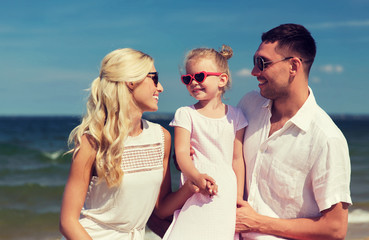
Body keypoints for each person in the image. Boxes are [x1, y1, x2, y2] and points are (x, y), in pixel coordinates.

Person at [59, 48, 199, 240]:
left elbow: (160, 210)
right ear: (131, 81)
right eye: (154, 78)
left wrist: (192, 182)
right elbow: (68, 222)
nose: (160, 88)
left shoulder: (161, 137)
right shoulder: (92, 141)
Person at [235, 23, 352, 240]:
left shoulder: (326, 138)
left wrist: (258, 223)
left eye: (262, 63)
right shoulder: (249, 104)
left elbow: (335, 228)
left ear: (294, 66)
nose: (254, 72)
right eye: (254, 62)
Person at [162, 45, 248, 240]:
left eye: (199, 77)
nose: (193, 83)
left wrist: (238, 198)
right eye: (188, 79)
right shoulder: (185, 114)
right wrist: (196, 177)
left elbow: (237, 159)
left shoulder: (236, 116)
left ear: (222, 79)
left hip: (225, 193)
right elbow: (182, 154)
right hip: (197, 190)